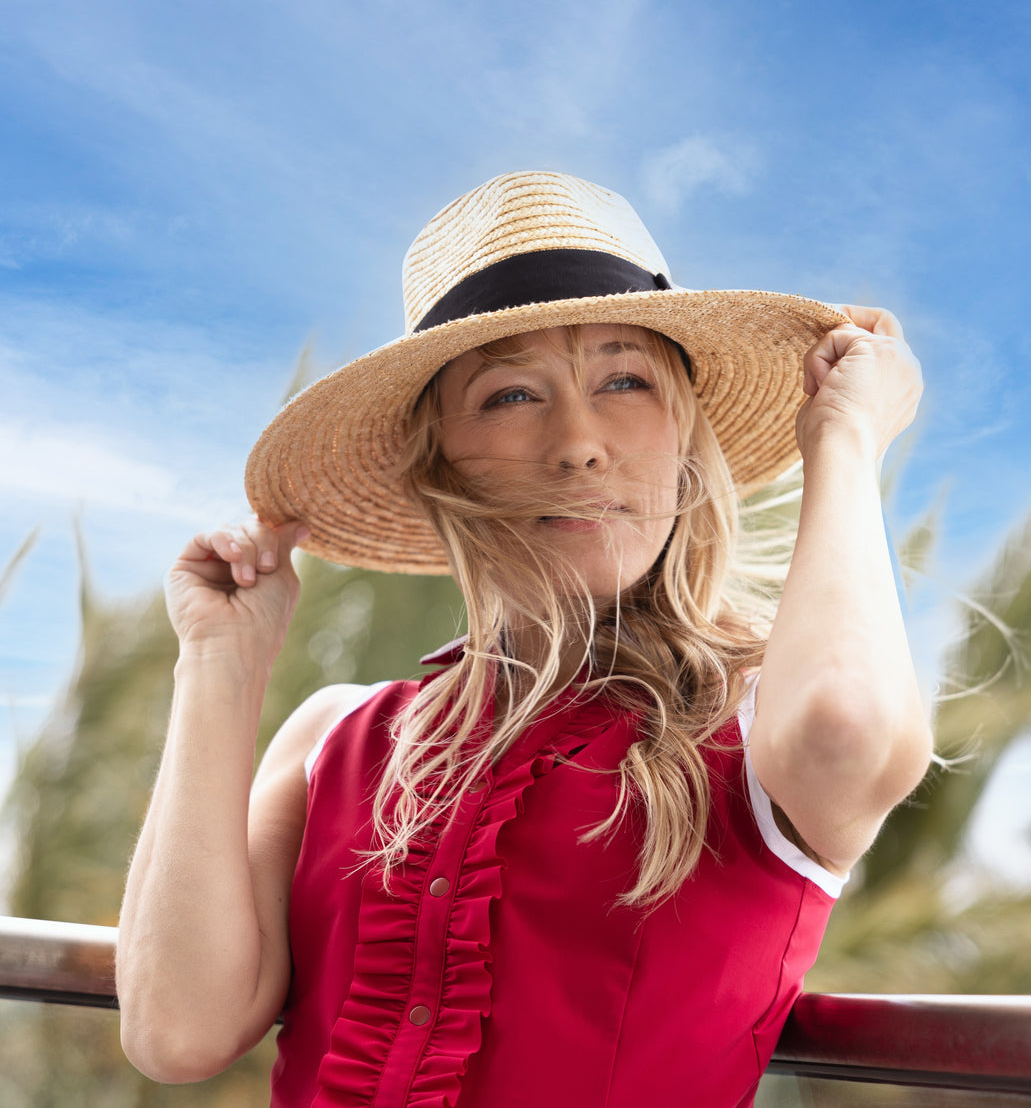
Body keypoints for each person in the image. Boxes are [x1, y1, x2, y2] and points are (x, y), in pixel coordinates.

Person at [116, 170, 932, 1107]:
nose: (580, 443)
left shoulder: (759, 724)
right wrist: (221, 662)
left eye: (625, 380)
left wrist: (843, 436)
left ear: (684, 431)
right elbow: (175, 1031)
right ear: (438, 460)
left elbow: (846, 723)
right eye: (510, 395)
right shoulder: (332, 738)